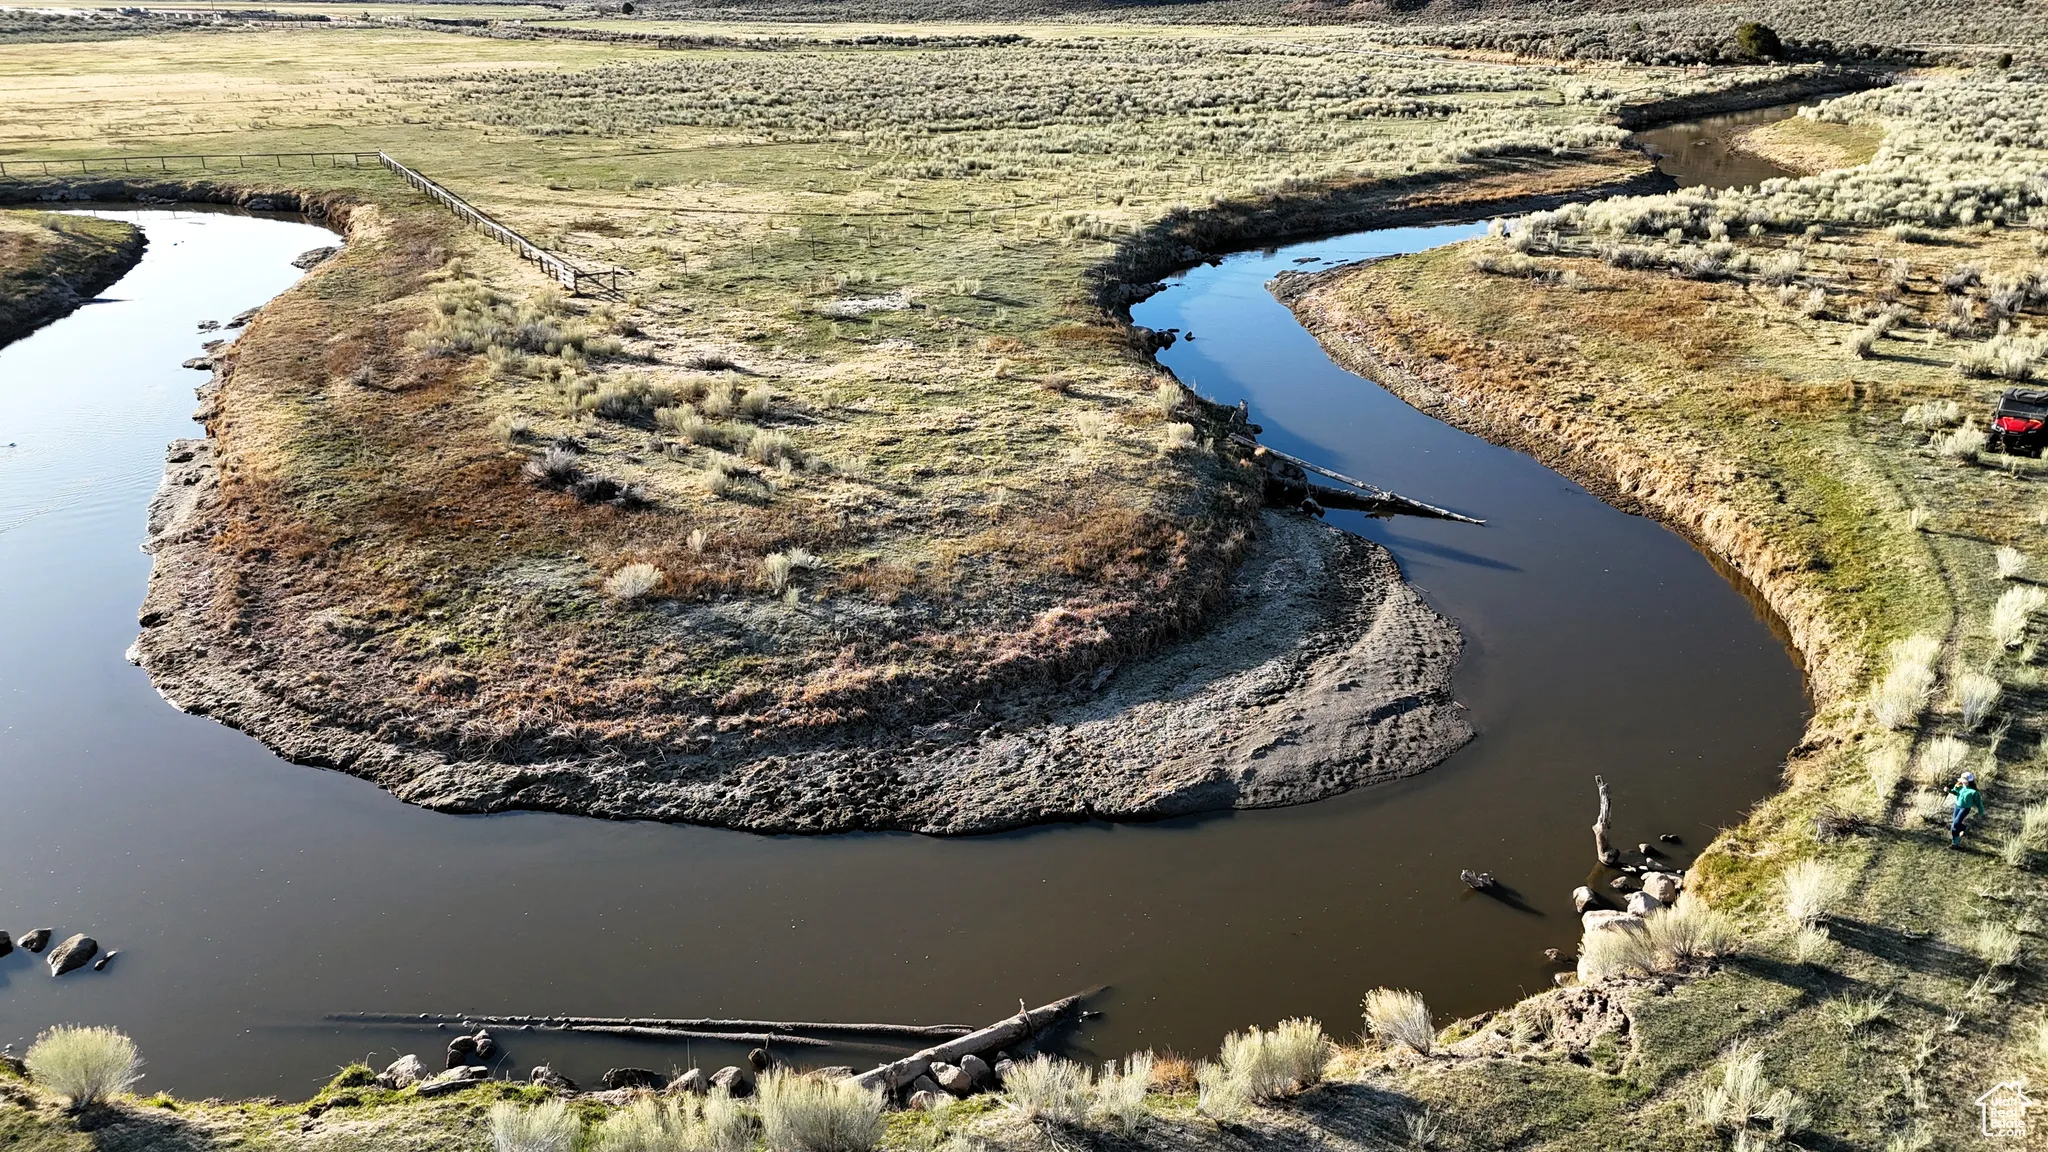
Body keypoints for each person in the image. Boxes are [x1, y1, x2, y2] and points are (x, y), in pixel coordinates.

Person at [1949, 772, 1984, 849]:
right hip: (1957, 806)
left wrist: (1981, 811)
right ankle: (1964, 828)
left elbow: (1979, 803)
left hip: (1965, 808)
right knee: (1956, 823)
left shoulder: (1974, 792)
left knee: (1955, 824)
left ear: (1969, 781)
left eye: (1964, 780)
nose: (1961, 781)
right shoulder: (1959, 785)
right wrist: (1949, 790)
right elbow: (1955, 792)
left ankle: (1955, 843)